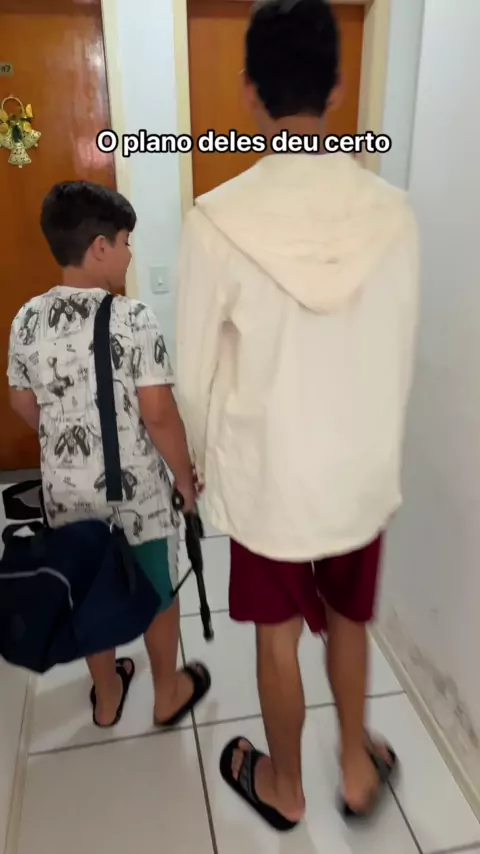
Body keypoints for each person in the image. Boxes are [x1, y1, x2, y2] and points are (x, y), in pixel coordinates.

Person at [175, 0, 419, 832]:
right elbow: (398, 352)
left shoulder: (216, 220)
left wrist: (201, 471)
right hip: (358, 470)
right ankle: (355, 766)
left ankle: (284, 786)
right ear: (339, 89)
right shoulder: (394, 213)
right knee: (350, 619)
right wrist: (379, 458)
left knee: (276, 637)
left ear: (250, 91)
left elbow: (195, 381)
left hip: (270, 477)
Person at [7, 180, 211, 729]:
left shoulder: (26, 319)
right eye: (126, 242)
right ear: (100, 247)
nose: (129, 254)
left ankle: (106, 696)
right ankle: (167, 692)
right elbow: (158, 414)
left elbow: (22, 402)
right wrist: (185, 480)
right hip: (135, 496)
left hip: (65, 495)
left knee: (89, 592)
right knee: (158, 591)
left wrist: (64, 439)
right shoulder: (133, 318)